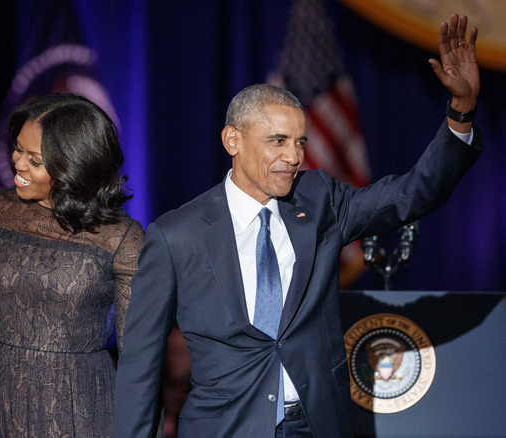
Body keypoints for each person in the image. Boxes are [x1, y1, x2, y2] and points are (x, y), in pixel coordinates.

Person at [114, 13, 481, 438]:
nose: (294, 156)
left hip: (319, 425)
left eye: (300, 142)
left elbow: (410, 194)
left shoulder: (319, 199)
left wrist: (462, 111)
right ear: (233, 140)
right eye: (278, 141)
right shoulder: (175, 235)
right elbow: (140, 364)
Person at [0, 93, 144, 437]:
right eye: (18, 149)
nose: (18, 164)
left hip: (80, 411)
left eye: (35, 160)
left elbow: (139, 358)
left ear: (75, 166)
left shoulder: (121, 238)